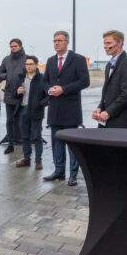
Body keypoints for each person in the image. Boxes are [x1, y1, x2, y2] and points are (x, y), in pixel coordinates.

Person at [44, 30, 90, 185]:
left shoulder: (78, 60)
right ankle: (59, 171)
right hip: (54, 108)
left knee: (71, 143)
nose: (56, 43)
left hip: (70, 108)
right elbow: (45, 81)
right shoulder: (50, 61)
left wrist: (64, 89)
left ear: (67, 42)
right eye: (55, 40)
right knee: (56, 141)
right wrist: (49, 89)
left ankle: (73, 174)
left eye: (60, 40)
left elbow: (84, 81)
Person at [92, 30, 127, 129]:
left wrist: (109, 112)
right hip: (111, 120)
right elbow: (107, 92)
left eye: (109, 43)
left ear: (120, 42)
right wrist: (100, 107)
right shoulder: (109, 65)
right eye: (104, 43)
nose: (105, 46)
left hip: (124, 122)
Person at [14, 55, 47, 170]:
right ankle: (26, 158)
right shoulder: (21, 78)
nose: (28, 66)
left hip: (36, 111)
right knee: (25, 136)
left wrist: (39, 105)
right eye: (26, 64)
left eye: (31, 64)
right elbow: (15, 94)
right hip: (23, 109)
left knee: (37, 136)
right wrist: (17, 92)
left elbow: (48, 96)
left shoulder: (42, 78)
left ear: (36, 65)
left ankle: (38, 160)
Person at [0, 39, 27, 153]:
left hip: (22, 95)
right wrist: (7, 75)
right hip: (9, 94)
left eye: (15, 46)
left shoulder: (26, 59)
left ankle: (25, 144)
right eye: (11, 46)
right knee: (9, 121)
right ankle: (10, 144)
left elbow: (32, 74)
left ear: (20, 46)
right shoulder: (6, 59)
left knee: (22, 122)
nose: (13, 48)